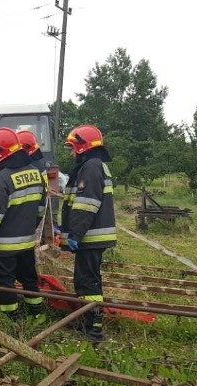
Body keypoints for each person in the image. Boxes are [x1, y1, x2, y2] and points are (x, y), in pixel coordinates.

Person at [0, 127, 47, 321]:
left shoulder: (0, 180)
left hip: (3, 247)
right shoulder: (35, 173)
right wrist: (27, 229)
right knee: (29, 280)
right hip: (26, 242)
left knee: (5, 285)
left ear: (0, 153)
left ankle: (13, 322)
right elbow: (40, 210)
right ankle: (38, 315)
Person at [60, 124, 117, 342]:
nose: (72, 153)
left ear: (83, 147)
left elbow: (86, 205)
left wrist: (75, 234)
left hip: (90, 236)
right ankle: (87, 320)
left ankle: (94, 329)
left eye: (73, 148)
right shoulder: (94, 165)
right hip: (90, 236)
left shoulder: (91, 167)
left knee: (88, 283)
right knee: (86, 280)